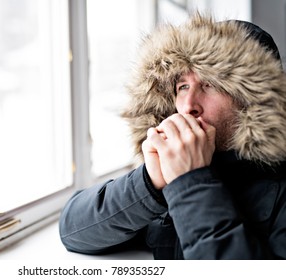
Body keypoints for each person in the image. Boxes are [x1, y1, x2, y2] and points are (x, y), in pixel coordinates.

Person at [59, 13, 286, 259]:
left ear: (251, 99)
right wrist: (149, 183)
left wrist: (191, 182)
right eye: (182, 87)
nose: (188, 105)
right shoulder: (169, 165)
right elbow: (73, 231)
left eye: (210, 84)